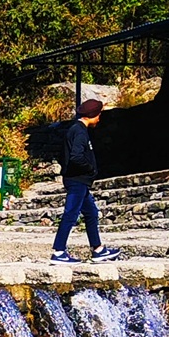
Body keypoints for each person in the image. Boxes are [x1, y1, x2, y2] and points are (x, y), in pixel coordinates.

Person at [51, 98, 123, 263]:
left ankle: (98, 249)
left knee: (91, 213)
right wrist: (90, 169)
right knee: (70, 214)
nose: (99, 119)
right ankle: (58, 251)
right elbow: (76, 157)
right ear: (92, 115)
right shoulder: (79, 131)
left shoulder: (74, 130)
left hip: (79, 181)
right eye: (99, 115)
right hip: (77, 181)